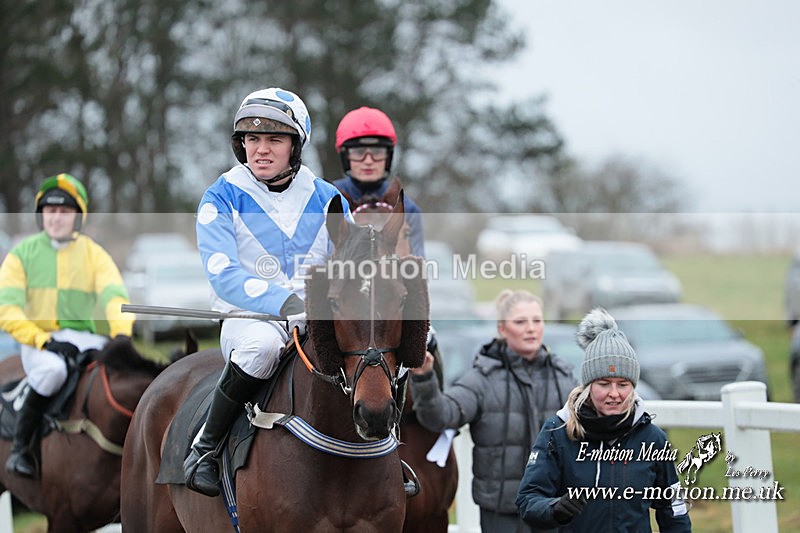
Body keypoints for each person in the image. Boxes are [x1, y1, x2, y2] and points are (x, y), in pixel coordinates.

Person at [185, 87, 350, 497]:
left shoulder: (328, 197)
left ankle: (385, 453)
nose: (261, 149)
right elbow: (223, 275)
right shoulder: (221, 195)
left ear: (295, 146)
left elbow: (350, 262)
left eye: (274, 139)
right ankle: (205, 448)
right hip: (252, 320)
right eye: (252, 139)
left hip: (317, 318)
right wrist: (285, 302)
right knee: (260, 349)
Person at [0, 173, 134, 478]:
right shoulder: (21, 254)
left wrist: (121, 335)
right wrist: (43, 341)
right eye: (50, 211)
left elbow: (115, 296)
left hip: (85, 338)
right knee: (53, 371)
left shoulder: (93, 253)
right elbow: (7, 310)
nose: (56, 218)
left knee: (118, 373)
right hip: (39, 340)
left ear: (77, 216)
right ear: (41, 215)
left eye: (64, 212)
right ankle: (21, 450)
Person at [409, 289, 578, 532]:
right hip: (501, 513)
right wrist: (425, 378)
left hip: (553, 507)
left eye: (536, 320)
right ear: (501, 329)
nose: (531, 328)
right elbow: (440, 416)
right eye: (520, 321)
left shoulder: (564, 378)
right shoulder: (481, 380)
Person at [516, 307, 692, 532]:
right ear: (588, 386)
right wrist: (554, 508)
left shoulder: (653, 439)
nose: (614, 393)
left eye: (623, 384)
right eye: (604, 383)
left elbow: (674, 511)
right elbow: (527, 500)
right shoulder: (557, 432)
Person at [331, 106, 425, 257]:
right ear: (345, 156)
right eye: (359, 152)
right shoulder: (326, 199)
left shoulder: (408, 208)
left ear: (388, 157)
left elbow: (416, 264)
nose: (368, 161)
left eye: (377, 152)